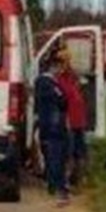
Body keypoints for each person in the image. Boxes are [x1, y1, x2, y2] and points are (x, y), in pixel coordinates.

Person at [35, 50, 70, 203]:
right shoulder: (46, 83)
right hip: (53, 126)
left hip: (49, 125)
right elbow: (61, 100)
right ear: (53, 66)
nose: (61, 71)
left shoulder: (47, 83)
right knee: (56, 157)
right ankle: (59, 188)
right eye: (60, 68)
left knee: (51, 157)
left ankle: (52, 185)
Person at [55, 47, 89, 189]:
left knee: (80, 151)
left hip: (79, 120)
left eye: (66, 61)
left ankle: (79, 179)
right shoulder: (57, 79)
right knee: (68, 151)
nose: (64, 64)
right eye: (62, 61)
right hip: (67, 120)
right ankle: (64, 181)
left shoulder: (72, 77)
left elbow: (79, 86)